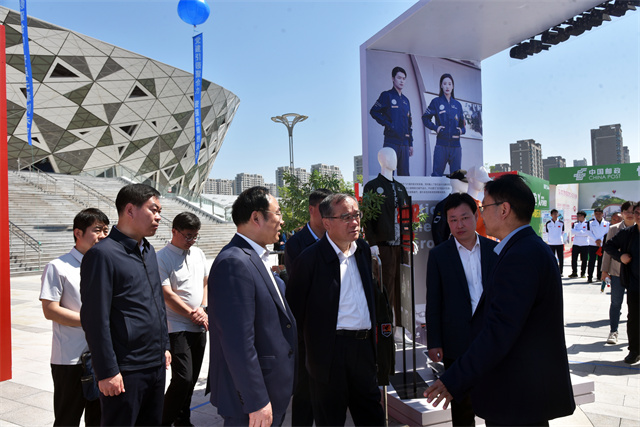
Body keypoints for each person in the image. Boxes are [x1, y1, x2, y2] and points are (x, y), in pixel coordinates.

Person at [424, 174, 575, 426]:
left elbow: (500, 330)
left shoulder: (518, 256)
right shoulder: (529, 248)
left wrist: (454, 378)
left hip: (516, 390)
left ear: (504, 210)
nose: (482, 215)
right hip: (524, 387)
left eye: (484, 207)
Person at [287, 193, 384, 427]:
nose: (354, 222)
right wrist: (312, 355)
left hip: (363, 350)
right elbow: (294, 314)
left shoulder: (362, 250)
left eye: (356, 215)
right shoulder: (309, 260)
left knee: (373, 417)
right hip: (329, 355)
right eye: (346, 217)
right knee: (330, 420)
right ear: (327, 222)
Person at [80, 184, 171, 426]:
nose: (158, 217)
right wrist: (107, 371)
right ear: (130, 210)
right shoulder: (102, 255)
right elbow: (95, 319)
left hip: (155, 363)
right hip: (125, 369)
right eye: (153, 210)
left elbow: (157, 303)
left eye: (159, 211)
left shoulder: (148, 251)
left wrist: (164, 345)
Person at [208, 186, 297, 427]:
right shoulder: (233, 262)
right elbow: (237, 341)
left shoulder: (255, 257)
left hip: (270, 390)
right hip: (251, 402)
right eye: (277, 213)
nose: (282, 220)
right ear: (256, 217)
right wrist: (256, 400)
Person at [426, 193, 498, 426]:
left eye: (465, 217)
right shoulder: (439, 255)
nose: (459, 225)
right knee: (461, 404)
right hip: (456, 339)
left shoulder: (495, 250)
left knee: (496, 399)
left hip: (491, 335)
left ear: (476, 216)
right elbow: (434, 301)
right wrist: (434, 341)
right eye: (453, 220)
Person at [40, 208, 109, 427]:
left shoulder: (105, 265)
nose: (103, 236)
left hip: (102, 356)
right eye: (97, 230)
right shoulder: (58, 266)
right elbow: (50, 310)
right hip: (70, 360)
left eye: (106, 231)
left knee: (99, 418)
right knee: (67, 418)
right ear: (78, 233)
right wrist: (92, 321)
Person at [283, 188, 332, 427]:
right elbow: (300, 286)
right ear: (312, 210)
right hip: (308, 330)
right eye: (324, 209)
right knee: (305, 390)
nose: (329, 214)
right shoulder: (296, 244)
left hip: (335, 328)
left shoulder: (337, 238)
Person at [157, 212, 208, 426]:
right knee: (183, 378)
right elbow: (167, 295)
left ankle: (183, 420)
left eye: (195, 236)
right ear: (174, 231)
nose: (191, 240)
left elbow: (205, 282)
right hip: (177, 326)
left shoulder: (198, 253)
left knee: (192, 379)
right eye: (188, 235)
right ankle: (163, 421)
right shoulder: (161, 257)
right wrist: (191, 314)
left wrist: (202, 308)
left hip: (199, 325)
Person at [363, 147, 410, 341]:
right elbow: (367, 217)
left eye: (395, 156)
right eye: (389, 156)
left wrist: (410, 240)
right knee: (386, 288)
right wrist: (372, 243)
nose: (394, 159)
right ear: (380, 159)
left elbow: (408, 216)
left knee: (403, 288)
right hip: (384, 246)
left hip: (402, 246)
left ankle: (401, 328)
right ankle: (386, 329)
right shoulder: (372, 186)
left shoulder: (401, 188)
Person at [604, 202, 640, 364]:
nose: (637, 216)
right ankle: (634, 351)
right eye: (637, 212)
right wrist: (620, 257)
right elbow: (609, 246)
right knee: (634, 318)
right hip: (634, 283)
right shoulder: (628, 233)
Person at [370, 66, 413, 176]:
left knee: (404, 175)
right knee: (388, 173)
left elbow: (409, 123)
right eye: (399, 78)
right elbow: (374, 111)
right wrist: (389, 125)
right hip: (391, 142)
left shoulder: (406, 100)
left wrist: (410, 144)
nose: (402, 81)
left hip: (405, 144)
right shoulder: (386, 95)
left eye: (404, 78)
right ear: (393, 78)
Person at [422, 73, 466, 177]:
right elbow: (425, 118)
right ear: (441, 85)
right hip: (441, 145)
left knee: (456, 178)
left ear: (453, 86)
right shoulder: (436, 102)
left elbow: (463, 126)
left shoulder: (458, 105)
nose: (447, 86)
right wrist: (436, 128)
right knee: (436, 175)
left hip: (456, 147)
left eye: (449, 84)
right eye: (445, 84)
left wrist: (461, 131)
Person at [431, 169, 468, 246]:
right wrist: (443, 251)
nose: (467, 185)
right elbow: (437, 232)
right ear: (455, 182)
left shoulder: (469, 205)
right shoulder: (443, 205)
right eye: (464, 182)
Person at [588, 207, 609, 283]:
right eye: (596, 214)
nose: (598, 215)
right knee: (591, 261)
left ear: (602, 214)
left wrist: (601, 240)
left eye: (600, 214)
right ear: (594, 214)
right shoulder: (590, 223)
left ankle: (599, 276)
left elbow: (607, 233)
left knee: (601, 261)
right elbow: (589, 232)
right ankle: (590, 277)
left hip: (602, 245)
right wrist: (596, 240)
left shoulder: (607, 223)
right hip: (593, 244)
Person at [568, 210, 590, 279]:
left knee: (584, 259)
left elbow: (587, 233)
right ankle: (574, 272)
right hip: (576, 243)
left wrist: (578, 232)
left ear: (583, 216)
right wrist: (581, 232)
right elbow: (572, 232)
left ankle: (583, 273)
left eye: (579, 216)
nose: (577, 217)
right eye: (577, 216)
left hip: (585, 244)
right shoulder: (575, 223)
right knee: (574, 259)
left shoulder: (588, 223)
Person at [545, 209, 565, 276]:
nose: (555, 215)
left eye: (556, 214)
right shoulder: (548, 223)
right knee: (551, 258)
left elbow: (562, 232)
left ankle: (560, 272)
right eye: (554, 214)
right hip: (551, 243)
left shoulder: (561, 223)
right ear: (551, 215)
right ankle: (552, 271)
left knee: (561, 258)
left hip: (559, 243)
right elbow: (547, 232)